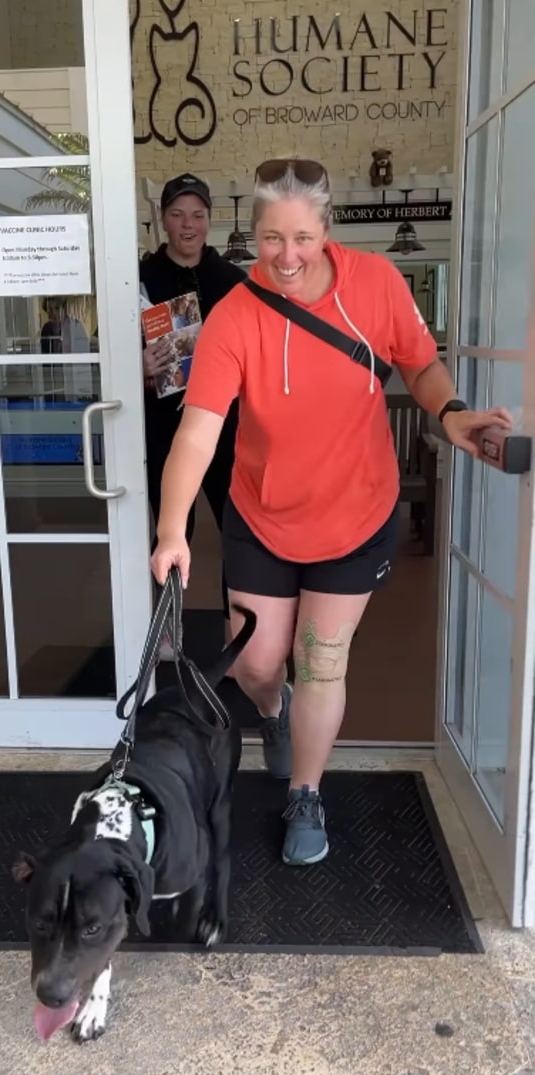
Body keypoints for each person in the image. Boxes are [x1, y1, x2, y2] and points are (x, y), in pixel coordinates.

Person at [150, 157, 512, 866]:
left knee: (320, 659)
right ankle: (273, 712)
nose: (287, 257)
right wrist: (171, 529)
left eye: (303, 239)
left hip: (355, 515)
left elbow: (420, 362)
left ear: (326, 230)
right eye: (270, 239)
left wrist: (455, 413)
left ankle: (307, 792)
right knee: (255, 664)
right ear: (251, 234)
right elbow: (198, 429)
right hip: (262, 515)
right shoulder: (235, 316)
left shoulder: (375, 284)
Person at [140, 173, 246, 641]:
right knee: (171, 529)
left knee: (238, 532)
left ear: (209, 219)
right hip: (164, 428)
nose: (188, 225)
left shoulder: (234, 281)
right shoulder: (139, 278)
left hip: (228, 429)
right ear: (163, 219)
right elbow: (108, 356)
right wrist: (137, 365)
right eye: (178, 214)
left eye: (197, 215)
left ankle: (234, 627)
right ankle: (167, 630)